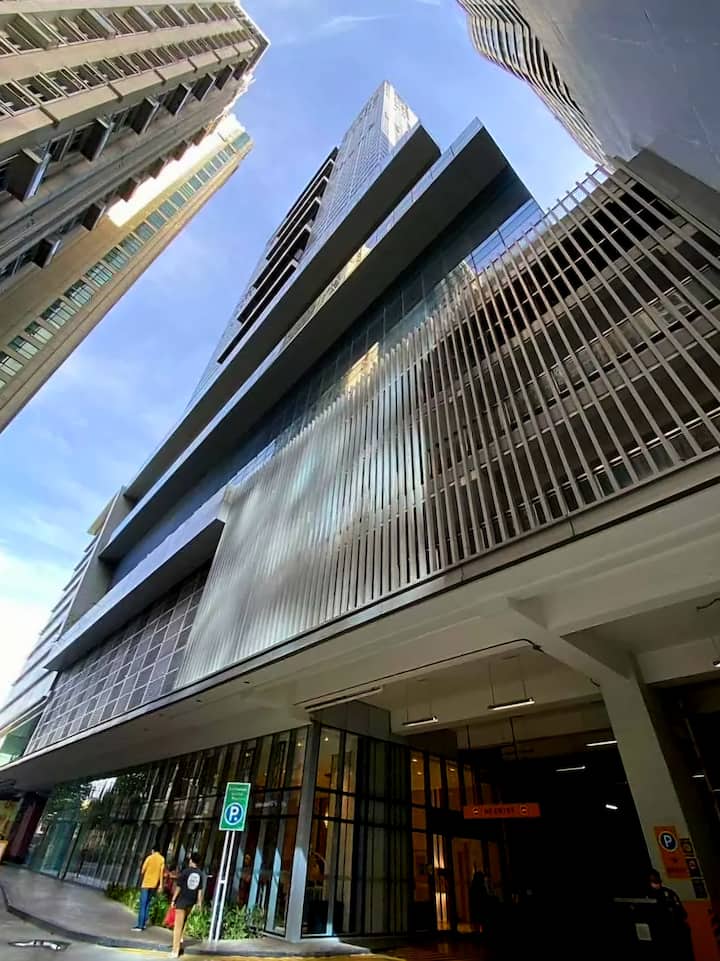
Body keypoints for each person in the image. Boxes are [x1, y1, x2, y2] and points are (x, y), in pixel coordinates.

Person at [648, 869, 695, 961]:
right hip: (662, 935)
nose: (657, 883)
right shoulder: (649, 895)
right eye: (653, 881)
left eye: (657, 880)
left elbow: (682, 913)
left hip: (674, 933)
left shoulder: (668, 893)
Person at [170, 851, 205, 958]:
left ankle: (175, 950)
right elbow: (200, 891)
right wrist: (199, 903)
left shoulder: (185, 872)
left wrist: (173, 899)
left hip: (182, 901)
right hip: (191, 901)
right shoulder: (200, 874)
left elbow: (179, 887)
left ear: (191, 860)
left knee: (178, 926)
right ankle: (180, 944)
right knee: (184, 923)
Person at [132, 845, 165, 932]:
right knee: (148, 903)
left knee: (143, 904)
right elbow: (161, 873)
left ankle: (140, 925)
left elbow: (143, 870)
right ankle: (144, 923)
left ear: (153, 850)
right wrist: (161, 885)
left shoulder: (149, 858)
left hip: (146, 883)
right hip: (154, 885)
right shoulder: (162, 859)